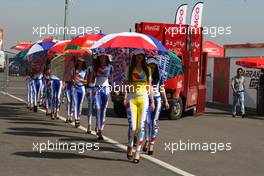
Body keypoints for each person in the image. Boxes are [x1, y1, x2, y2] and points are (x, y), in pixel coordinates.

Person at [124, 49, 155, 163]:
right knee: (133, 126)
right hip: (132, 98)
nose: (139, 57)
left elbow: (149, 86)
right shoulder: (129, 69)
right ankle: (130, 146)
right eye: (137, 55)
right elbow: (126, 83)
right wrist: (125, 96)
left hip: (144, 99)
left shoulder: (148, 69)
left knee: (141, 126)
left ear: (143, 56)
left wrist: (152, 101)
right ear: (134, 56)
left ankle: (137, 151)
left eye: (141, 55)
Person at [143, 57, 170, 155]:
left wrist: (166, 101)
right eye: (150, 64)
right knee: (147, 121)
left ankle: (151, 144)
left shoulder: (160, 75)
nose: (152, 66)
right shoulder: (144, 74)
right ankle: (146, 140)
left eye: (153, 64)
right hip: (146, 99)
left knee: (154, 122)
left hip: (157, 99)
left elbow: (162, 89)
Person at [88, 50, 113, 140]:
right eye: (101, 56)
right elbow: (91, 80)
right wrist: (92, 78)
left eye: (104, 56)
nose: (103, 58)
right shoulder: (95, 67)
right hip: (97, 89)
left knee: (104, 109)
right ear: (98, 58)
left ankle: (101, 128)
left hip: (106, 89)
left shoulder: (110, 67)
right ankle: (99, 129)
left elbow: (111, 79)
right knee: (98, 108)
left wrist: (114, 88)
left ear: (106, 57)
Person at [72, 58, 87, 127]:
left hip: (82, 88)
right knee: (76, 104)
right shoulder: (74, 70)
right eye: (79, 61)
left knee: (80, 104)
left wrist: (80, 80)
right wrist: (73, 81)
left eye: (81, 61)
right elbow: (71, 78)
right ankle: (76, 119)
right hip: (75, 88)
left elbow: (87, 81)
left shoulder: (85, 71)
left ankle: (78, 118)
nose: (80, 63)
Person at [86, 63, 96, 134]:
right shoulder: (89, 68)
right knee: (90, 107)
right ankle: (89, 125)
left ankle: (98, 125)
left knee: (98, 108)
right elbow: (87, 79)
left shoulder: (101, 68)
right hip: (90, 88)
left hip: (98, 89)